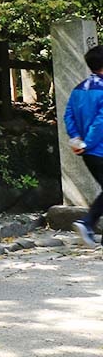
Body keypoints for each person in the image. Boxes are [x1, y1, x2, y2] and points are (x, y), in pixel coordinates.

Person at [66, 45, 103, 245]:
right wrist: (88, 142)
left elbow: (68, 115)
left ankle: (89, 224)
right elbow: (101, 122)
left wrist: (77, 139)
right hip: (98, 148)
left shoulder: (78, 89)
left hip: (87, 150)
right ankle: (87, 223)